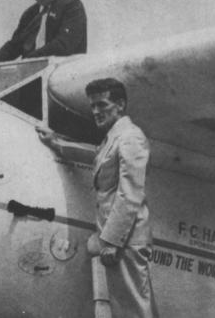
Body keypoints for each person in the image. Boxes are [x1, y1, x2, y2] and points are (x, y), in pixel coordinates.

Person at [36, 78, 157, 318]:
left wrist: (112, 241)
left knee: (134, 311)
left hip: (125, 240)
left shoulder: (131, 137)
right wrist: (57, 143)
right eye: (93, 106)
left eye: (102, 105)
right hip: (119, 239)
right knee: (127, 310)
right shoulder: (115, 137)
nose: (95, 112)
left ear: (120, 105)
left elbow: (130, 194)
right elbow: (97, 156)